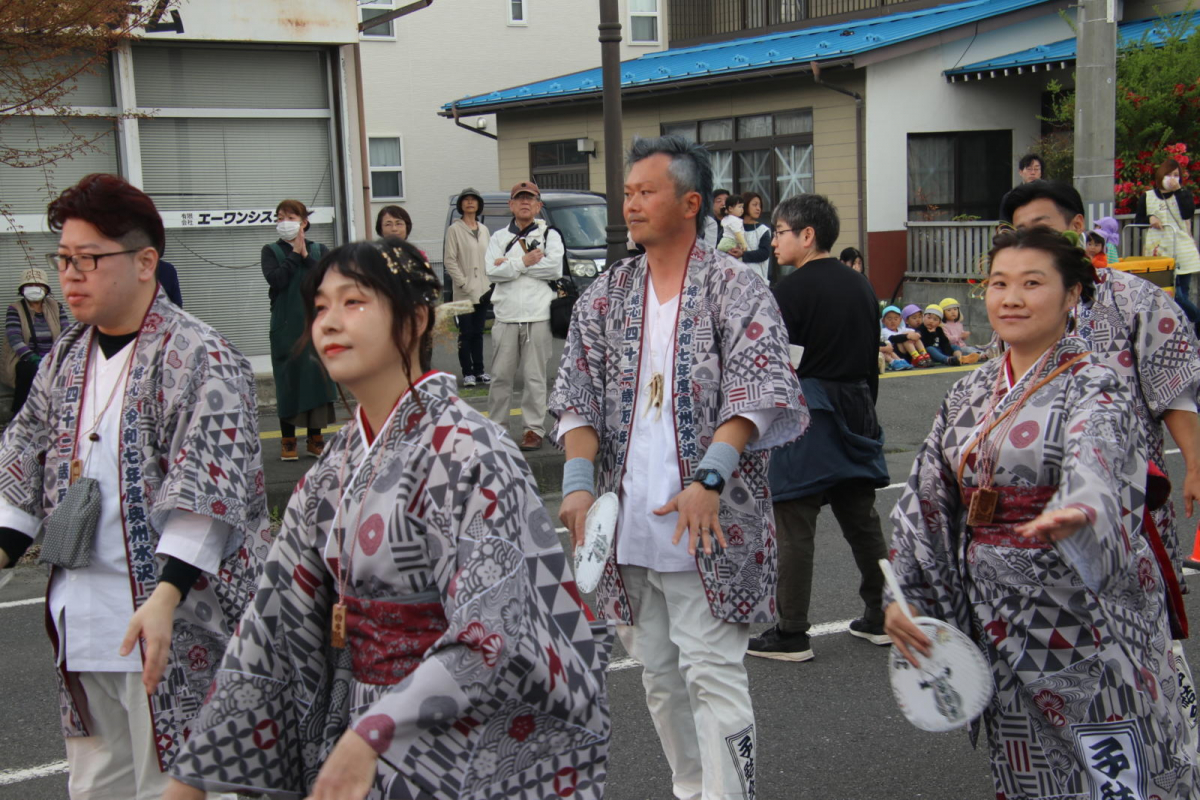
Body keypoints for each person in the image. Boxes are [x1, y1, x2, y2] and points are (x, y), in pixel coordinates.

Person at [163, 237, 611, 800]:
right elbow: (272, 616)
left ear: (415, 320)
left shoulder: (472, 452)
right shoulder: (339, 461)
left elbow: (490, 633)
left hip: (446, 740)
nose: (327, 322)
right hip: (363, 718)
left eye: (353, 302)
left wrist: (374, 733)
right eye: (320, 306)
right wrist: (195, 771)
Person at [886, 225, 1200, 798]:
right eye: (1000, 283)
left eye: (1032, 283)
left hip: (1084, 617)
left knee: (1116, 766)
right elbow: (925, 497)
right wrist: (906, 598)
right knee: (1028, 768)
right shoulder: (969, 391)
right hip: (999, 617)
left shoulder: (1097, 382)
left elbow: (1096, 454)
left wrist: (1082, 508)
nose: (1011, 298)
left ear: (1073, 294)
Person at [551, 135, 806, 800]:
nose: (631, 203)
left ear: (691, 203)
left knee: (713, 674)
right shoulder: (606, 294)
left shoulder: (736, 286)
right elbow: (575, 395)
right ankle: (691, 790)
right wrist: (579, 486)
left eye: (646, 192)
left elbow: (760, 389)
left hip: (708, 525)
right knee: (659, 679)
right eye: (628, 192)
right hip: (629, 525)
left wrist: (711, 478)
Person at [0, 173, 269, 800]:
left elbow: (212, 486)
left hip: (175, 624)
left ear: (146, 261)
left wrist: (167, 593)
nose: (70, 275)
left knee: (179, 786)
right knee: (97, 787)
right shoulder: (64, 358)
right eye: (64, 259)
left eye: (89, 259)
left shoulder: (200, 354)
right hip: (85, 622)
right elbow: (22, 460)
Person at [746, 194, 889, 663]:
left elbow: (776, 367)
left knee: (793, 520)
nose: (774, 240)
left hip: (807, 411)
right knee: (861, 519)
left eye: (780, 231)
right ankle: (882, 614)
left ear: (807, 235)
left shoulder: (790, 291)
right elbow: (871, 363)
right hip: (856, 407)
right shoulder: (861, 286)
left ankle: (791, 632)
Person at [484, 180, 563, 451]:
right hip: (505, 316)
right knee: (500, 377)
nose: (525, 203)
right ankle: (497, 429)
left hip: (538, 315)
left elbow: (554, 269)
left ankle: (533, 430)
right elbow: (491, 273)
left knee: (535, 378)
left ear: (539, 205)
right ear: (511, 205)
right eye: (520, 198)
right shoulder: (497, 238)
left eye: (530, 198)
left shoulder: (550, 235)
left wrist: (512, 266)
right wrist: (525, 262)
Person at [262, 199, 339, 461]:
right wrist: (294, 254)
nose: (284, 221)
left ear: (304, 222)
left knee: (316, 378)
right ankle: (287, 440)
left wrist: (305, 256)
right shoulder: (271, 250)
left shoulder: (320, 250)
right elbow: (276, 280)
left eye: (291, 216)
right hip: (286, 326)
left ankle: (315, 438)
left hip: (316, 325)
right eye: (280, 216)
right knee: (288, 379)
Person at [1138, 158, 1200, 325]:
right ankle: (1196, 319)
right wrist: (1150, 218)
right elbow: (1138, 222)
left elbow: (1187, 214)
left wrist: (1179, 190)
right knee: (1171, 294)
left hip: (1182, 250)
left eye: (1176, 175)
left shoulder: (1183, 194)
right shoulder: (1148, 197)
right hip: (1158, 252)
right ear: (1161, 175)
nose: (1173, 178)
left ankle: (1187, 331)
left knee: (1183, 294)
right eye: (1169, 174)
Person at [443, 187, 492, 387]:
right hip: (462, 291)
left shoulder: (484, 229)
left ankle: (480, 370)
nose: (470, 203)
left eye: (474, 200)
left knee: (479, 332)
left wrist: (490, 282)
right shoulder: (454, 229)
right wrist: (463, 282)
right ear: (461, 205)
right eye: (466, 200)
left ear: (479, 205)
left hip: (483, 289)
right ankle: (468, 372)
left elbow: (489, 257)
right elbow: (449, 260)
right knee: (466, 332)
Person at [4, 267, 68, 414]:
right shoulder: (15, 308)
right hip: (26, 359)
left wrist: (56, 356)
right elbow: (14, 337)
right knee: (29, 372)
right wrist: (32, 357)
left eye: (38, 285)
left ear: (46, 289)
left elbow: (66, 332)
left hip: (53, 356)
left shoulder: (56, 307)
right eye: (29, 285)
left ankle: (57, 415)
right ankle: (19, 415)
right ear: (22, 289)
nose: (34, 288)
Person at [997, 153, 1045, 219]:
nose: (1033, 173)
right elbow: (1005, 225)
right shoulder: (1010, 197)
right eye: (1029, 169)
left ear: (1041, 173)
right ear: (1020, 172)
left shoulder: (1048, 196)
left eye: (1036, 169)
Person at [740, 191, 773, 282]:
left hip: (757, 279)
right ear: (745, 205)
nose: (758, 208)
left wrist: (742, 255)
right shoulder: (733, 227)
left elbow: (764, 253)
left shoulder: (763, 230)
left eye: (760, 206)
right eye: (754, 205)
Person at [879, 305, 918, 370]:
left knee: (912, 338)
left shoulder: (901, 329)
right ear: (883, 321)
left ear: (900, 320)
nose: (893, 321)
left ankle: (920, 355)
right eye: (889, 319)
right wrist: (907, 336)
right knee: (905, 339)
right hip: (894, 350)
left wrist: (913, 335)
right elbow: (892, 338)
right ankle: (897, 361)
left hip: (904, 353)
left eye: (896, 319)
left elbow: (914, 332)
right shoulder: (884, 331)